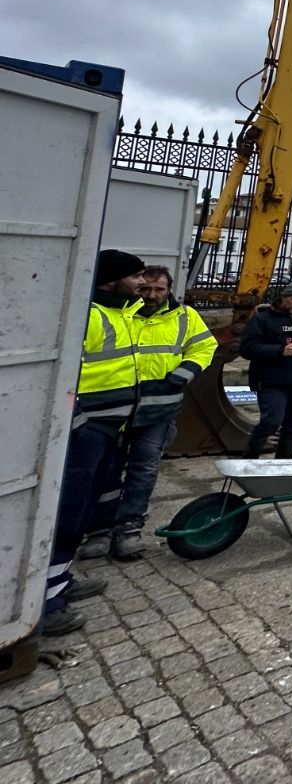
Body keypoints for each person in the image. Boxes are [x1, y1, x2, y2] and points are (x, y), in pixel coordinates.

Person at [79, 266, 218, 561]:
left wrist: (183, 374)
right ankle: (99, 530)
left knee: (143, 469)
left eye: (160, 290)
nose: (152, 295)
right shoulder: (123, 315)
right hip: (115, 409)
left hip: (159, 407)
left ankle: (129, 528)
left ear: (169, 290)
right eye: (146, 289)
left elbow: (204, 346)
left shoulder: (185, 316)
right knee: (106, 471)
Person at [41, 249, 146, 637]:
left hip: (111, 426)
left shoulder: (123, 312)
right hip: (87, 429)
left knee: (82, 508)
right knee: (66, 509)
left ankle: (59, 582)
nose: (141, 282)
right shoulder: (89, 314)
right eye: (135, 276)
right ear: (112, 278)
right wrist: (79, 419)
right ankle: (45, 604)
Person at [239, 280, 292, 459]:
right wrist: (279, 351)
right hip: (270, 379)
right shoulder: (263, 319)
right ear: (283, 298)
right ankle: (249, 459)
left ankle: (284, 463)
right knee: (271, 421)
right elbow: (247, 348)